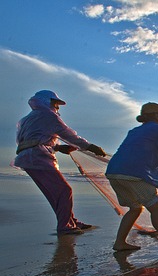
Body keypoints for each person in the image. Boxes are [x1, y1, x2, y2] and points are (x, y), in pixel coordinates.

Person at [13, 90, 107, 235]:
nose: (57, 107)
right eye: (55, 103)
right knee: (64, 190)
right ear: (46, 101)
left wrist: (58, 147)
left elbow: (34, 139)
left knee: (54, 192)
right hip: (37, 158)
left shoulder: (28, 118)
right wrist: (91, 147)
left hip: (28, 158)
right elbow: (69, 135)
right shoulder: (49, 116)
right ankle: (65, 226)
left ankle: (70, 220)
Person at [106, 102, 158, 252]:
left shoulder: (134, 131)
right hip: (135, 174)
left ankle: (120, 243)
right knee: (155, 208)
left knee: (135, 208)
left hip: (114, 172)